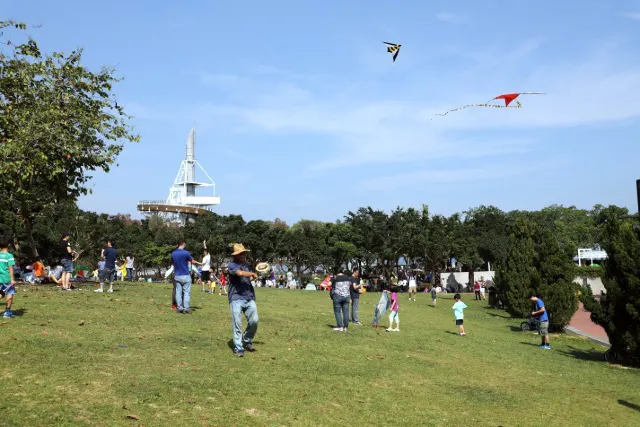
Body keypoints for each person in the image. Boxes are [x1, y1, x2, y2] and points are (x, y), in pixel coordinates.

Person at [227, 244, 259, 357]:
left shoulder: (247, 266)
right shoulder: (232, 265)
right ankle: (238, 348)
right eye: (241, 253)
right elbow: (239, 274)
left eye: (244, 253)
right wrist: (252, 273)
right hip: (235, 297)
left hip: (249, 296)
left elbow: (247, 278)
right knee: (237, 323)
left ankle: (247, 339)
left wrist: (253, 277)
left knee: (254, 321)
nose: (243, 255)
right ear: (236, 255)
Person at [171, 239, 202, 314]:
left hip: (177, 275)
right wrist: (199, 263)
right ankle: (186, 308)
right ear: (183, 244)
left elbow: (173, 262)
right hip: (185, 275)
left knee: (178, 292)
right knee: (186, 292)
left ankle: (179, 308)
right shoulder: (186, 253)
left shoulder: (173, 254)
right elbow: (192, 261)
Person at [0, 237, 16, 318]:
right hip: (6, 278)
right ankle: (7, 312)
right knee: (10, 293)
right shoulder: (9, 256)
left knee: (1, 294)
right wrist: (12, 279)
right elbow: (10, 268)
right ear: (9, 245)